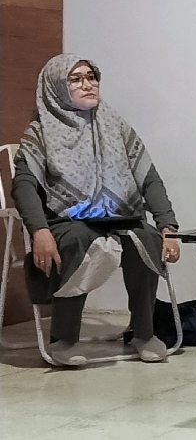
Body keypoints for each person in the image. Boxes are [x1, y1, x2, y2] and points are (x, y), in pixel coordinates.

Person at [12, 54, 181, 367]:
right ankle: (63, 339)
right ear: (55, 88)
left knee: (146, 237)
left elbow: (148, 178)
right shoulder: (41, 132)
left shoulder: (116, 125)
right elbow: (23, 186)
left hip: (121, 217)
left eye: (91, 77)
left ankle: (143, 333)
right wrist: (40, 231)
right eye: (75, 79)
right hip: (66, 220)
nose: (87, 84)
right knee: (77, 240)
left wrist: (167, 226)